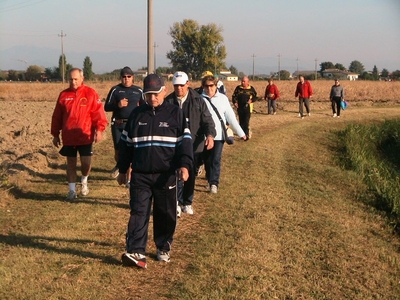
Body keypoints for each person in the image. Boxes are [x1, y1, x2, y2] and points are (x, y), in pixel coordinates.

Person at [117, 74, 193, 268]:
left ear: (164, 91)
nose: (153, 98)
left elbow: (185, 143)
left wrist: (184, 165)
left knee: (165, 213)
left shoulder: (175, 114)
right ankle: (136, 251)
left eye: (156, 94)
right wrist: (123, 169)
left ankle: (163, 246)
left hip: (166, 175)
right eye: (149, 95)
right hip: (141, 175)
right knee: (138, 212)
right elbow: (126, 145)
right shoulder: (136, 115)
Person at [51, 68, 108, 200]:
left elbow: (98, 113)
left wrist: (99, 130)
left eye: (76, 79)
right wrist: (55, 134)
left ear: (82, 79)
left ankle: (84, 180)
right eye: (71, 79)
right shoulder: (63, 95)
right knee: (71, 164)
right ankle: (71, 190)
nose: (73, 82)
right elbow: (57, 116)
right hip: (69, 136)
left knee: (85, 163)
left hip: (85, 135)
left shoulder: (90, 93)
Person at [165, 71, 216, 216]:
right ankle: (176, 202)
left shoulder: (198, 101)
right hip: (173, 144)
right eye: (176, 86)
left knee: (190, 174)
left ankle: (187, 202)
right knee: (175, 173)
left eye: (182, 85)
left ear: (188, 84)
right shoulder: (168, 102)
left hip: (194, 144)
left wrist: (210, 136)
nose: (179, 89)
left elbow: (208, 121)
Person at [201, 75, 247, 194]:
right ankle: (210, 179)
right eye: (206, 86)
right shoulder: (200, 99)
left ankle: (214, 183)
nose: (209, 88)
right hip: (205, 136)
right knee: (207, 160)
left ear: (216, 85)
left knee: (216, 159)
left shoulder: (223, 99)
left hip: (219, 136)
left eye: (211, 85)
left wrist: (241, 133)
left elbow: (231, 117)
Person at [104, 66, 144, 185]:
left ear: (133, 78)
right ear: (120, 78)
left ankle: (128, 178)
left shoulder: (138, 91)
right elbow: (106, 107)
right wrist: (118, 106)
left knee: (130, 150)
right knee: (118, 150)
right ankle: (120, 165)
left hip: (132, 125)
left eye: (128, 77)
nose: (126, 79)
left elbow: (145, 106)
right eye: (124, 77)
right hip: (118, 124)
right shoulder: (115, 90)